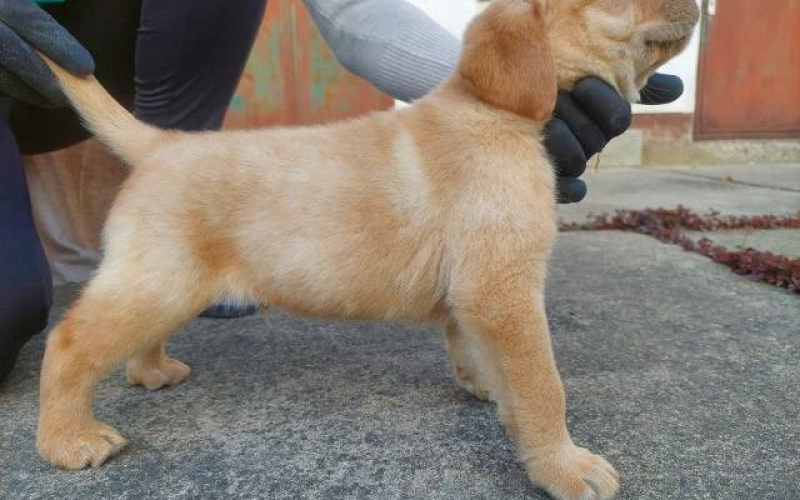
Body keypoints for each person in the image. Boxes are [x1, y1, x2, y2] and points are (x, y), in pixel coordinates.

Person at [0, 0, 684, 383]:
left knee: (176, 221)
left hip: (107, 58)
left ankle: (184, 211)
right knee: (14, 312)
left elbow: (353, 6)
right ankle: (185, 230)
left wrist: (505, 80)